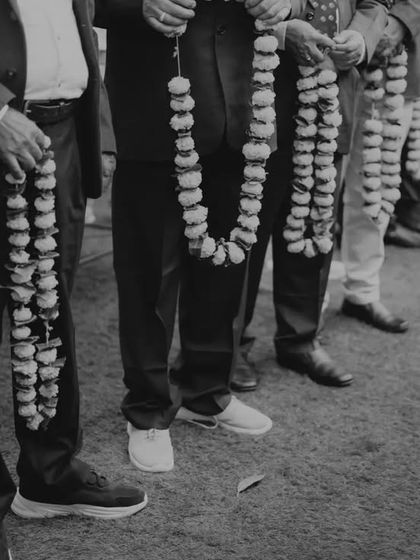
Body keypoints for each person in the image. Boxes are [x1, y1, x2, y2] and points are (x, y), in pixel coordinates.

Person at [95, 0, 294, 473]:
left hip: (245, 99)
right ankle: (147, 408)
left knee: (226, 264)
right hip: (154, 102)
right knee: (149, 272)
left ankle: (206, 391)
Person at [0, 0, 146, 537]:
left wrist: (99, 134)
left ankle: (49, 474)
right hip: (5, 124)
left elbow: (79, 30)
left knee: (48, 305)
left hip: (62, 133)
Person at [232, 0, 390, 392]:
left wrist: (362, 37)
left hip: (332, 89)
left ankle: (300, 338)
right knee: (246, 221)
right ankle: (227, 344)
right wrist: (282, 33)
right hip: (259, 82)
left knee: (314, 213)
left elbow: (375, 3)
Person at [341, 0, 420, 332]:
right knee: (316, 184)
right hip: (329, 52)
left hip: (395, 61)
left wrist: (400, 22)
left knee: (375, 184)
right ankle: (304, 304)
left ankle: (362, 289)